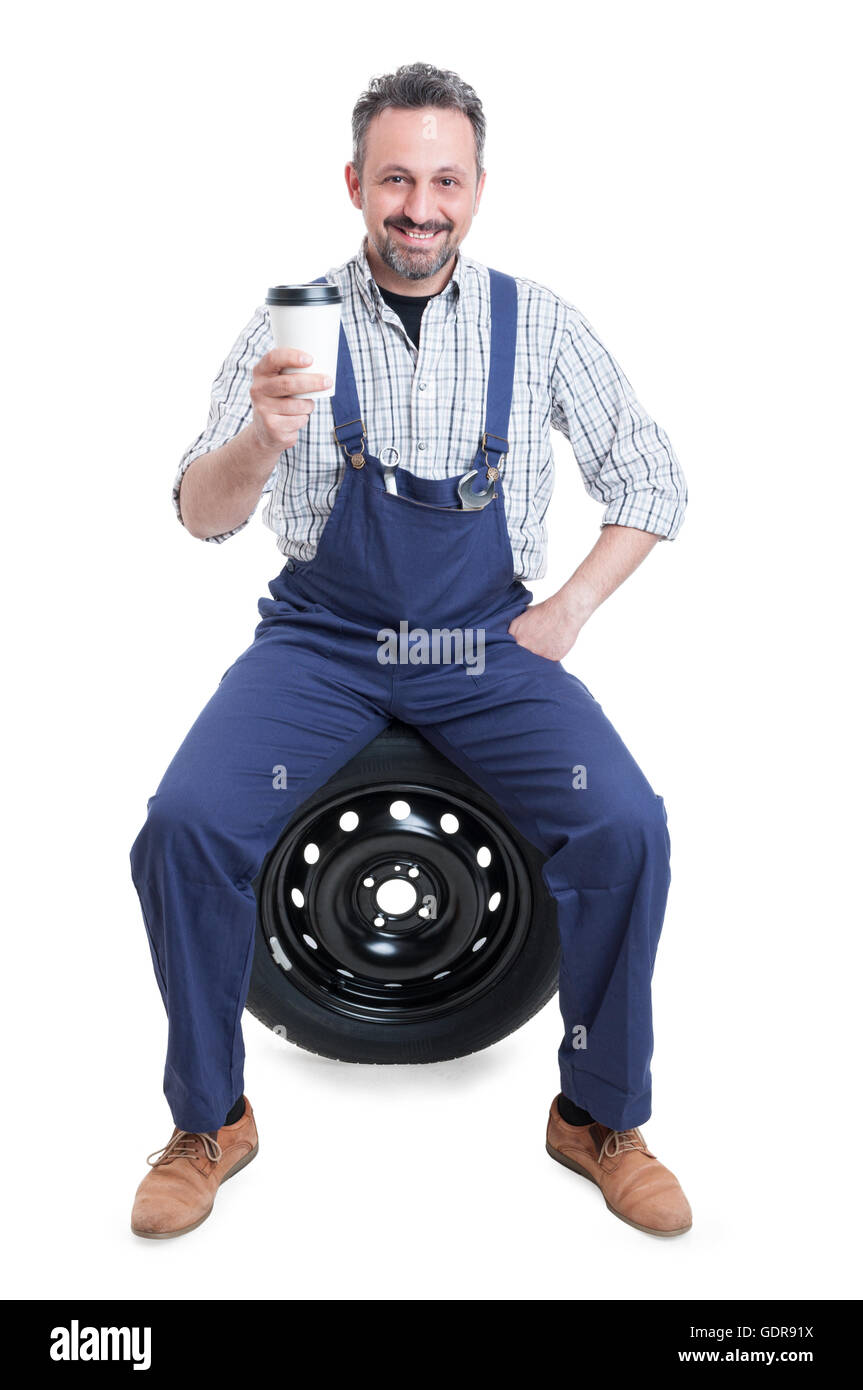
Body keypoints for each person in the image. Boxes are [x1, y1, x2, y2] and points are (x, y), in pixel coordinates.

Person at [129, 61, 691, 1240]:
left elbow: (651, 478)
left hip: (482, 641)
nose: (418, 205)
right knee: (185, 826)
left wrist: (570, 610)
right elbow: (198, 510)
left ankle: (598, 1115)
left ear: (477, 189)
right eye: (395, 178)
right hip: (322, 643)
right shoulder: (292, 321)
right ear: (354, 184)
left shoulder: (532, 321)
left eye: (443, 178)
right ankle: (207, 1118)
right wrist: (263, 440)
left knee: (622, 824)